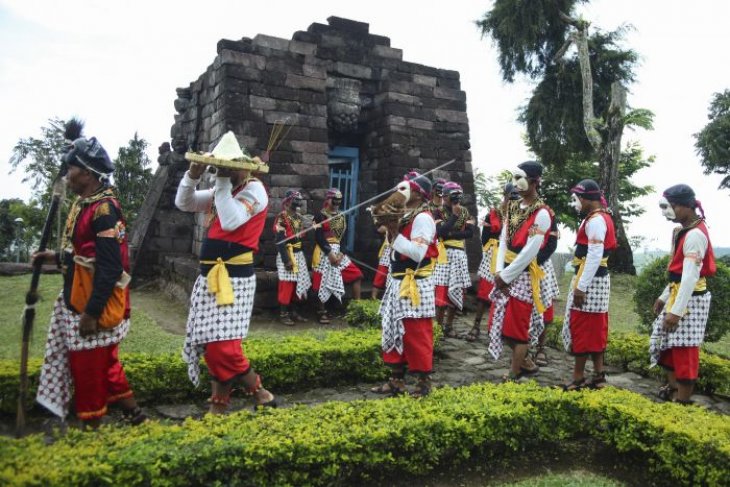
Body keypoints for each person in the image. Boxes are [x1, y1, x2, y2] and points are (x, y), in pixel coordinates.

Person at [34, 130, 145, 428]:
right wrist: (54, 258)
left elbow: (109, 267)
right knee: (103, 362)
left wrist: (91, 313)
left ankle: (92, 424)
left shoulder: (104, 210)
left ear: (86, 172)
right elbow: (83, 255)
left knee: (89, 368)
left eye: (71, 169)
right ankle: (135, 415)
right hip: (78, 295)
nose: (68, 176)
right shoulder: (85, 203)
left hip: (92, 301)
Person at [175, 131, 276, 414]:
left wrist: (219, 178)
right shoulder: (226, 191)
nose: (224, 171)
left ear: (242, 167)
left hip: (235, 279)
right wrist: (192, 175)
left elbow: (231, 221)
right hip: (211, 277)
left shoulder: (253, 189)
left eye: (228, 166)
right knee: (212, 341)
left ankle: (259, 390)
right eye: (221, 166)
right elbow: (184, 203)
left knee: (224, 348)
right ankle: (220, 404)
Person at [371, 172, 439, 397]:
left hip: (414, 283)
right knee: (393, 328)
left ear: (418, 195)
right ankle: (396, 380)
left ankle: (423, 383)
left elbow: (417, 253)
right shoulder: (409, 216)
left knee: (415, 332)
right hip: (398, 280)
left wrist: (392, 232)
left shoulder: (423, 219)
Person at [649, 184, 715, 404]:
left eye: (672, 206)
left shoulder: (695, 235)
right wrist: (664, 296)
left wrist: (676, 311)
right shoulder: (685, 231)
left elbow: (689, 278)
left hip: (691, 301)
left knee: (685, 347)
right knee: (668, 342)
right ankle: (674, 386)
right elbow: (678, 275)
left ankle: (683, 400)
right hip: (679, 295)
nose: (668, 212)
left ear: (686, 206)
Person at [487, 161, 551, 381]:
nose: (514, 183)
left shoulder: (542, 214)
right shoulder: (514, 207)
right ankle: (525, 363)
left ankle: (514, 371)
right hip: (505, 270)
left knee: (517, 327)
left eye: (519, 178)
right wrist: (498, 270)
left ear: (534, 181)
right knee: (503, 324)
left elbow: (530, 251)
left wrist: (505, 276)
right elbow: (503, 239)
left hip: (521, 275)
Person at [560, 179, 616, 391]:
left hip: (590, 280)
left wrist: (581, 287)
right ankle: (599, 374)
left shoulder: (595, 221)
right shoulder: (602, 216)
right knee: (595, 328)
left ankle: (578, 377)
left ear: (584, 198)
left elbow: (594, 255)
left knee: (583, 327)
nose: (576, 203)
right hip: (598, 280)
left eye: (577, 199)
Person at [466, 182, 519, 342]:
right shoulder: (494, 214)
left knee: (507, 293)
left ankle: (499, 329)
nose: (514, 199)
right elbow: (484, 238)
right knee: (484, 293)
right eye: (512, 195)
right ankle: (476, 326)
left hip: (511, 257)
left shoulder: (521, 216)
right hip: (493, 256)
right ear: (505, 195)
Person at [311, 188, 363, 324]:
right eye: (334, 201)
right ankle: (321, 311)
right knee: (320, 282)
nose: (336, 204)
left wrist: (341, 254)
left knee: (357, 275)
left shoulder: (341, 216)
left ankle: (356, 309)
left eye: (339, 201)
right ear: (328, 200)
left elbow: (344, 240)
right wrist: (329, 253)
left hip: (338, 251)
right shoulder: (318, 216)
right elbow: (318, 237)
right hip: (324, 251)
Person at [433, 182, 474, 337]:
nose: (454, 199)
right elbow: (440, 232)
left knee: (457, 289)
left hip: (458, 255)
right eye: (452, 196)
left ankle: (449, 326)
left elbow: (470, 233)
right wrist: (454, 217)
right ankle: (438, 328)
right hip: (444, 256)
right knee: (442, 292)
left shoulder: (466, 212)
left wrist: (450, 234)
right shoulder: (438, 212)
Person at [274, 190, 311, 325]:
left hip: (298, 254)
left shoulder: (299, 218)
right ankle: (283, 314)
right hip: (287, 254)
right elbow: (279, 240)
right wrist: (286, 260)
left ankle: (294, 312)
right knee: (287, 283)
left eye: (299, 201)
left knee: (298, 283)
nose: (298, 203)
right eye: (295, 200)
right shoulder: (282, 217)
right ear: (288, 201)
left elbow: (302, 234)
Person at [532, 210, 560, 366]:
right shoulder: (517, 211)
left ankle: (540, 348)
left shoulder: (547, 213)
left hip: (541, 264)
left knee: (543, 306)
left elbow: (551, 244)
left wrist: (535, 260)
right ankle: (522, 348)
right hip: (520, 263)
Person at [371, 224, 392, 300]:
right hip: (387, 251)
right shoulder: (387, 223)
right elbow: (379, 230)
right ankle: (373, 298)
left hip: (398, 252)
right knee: (380, 275)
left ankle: (388, 299)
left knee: (392, 278)